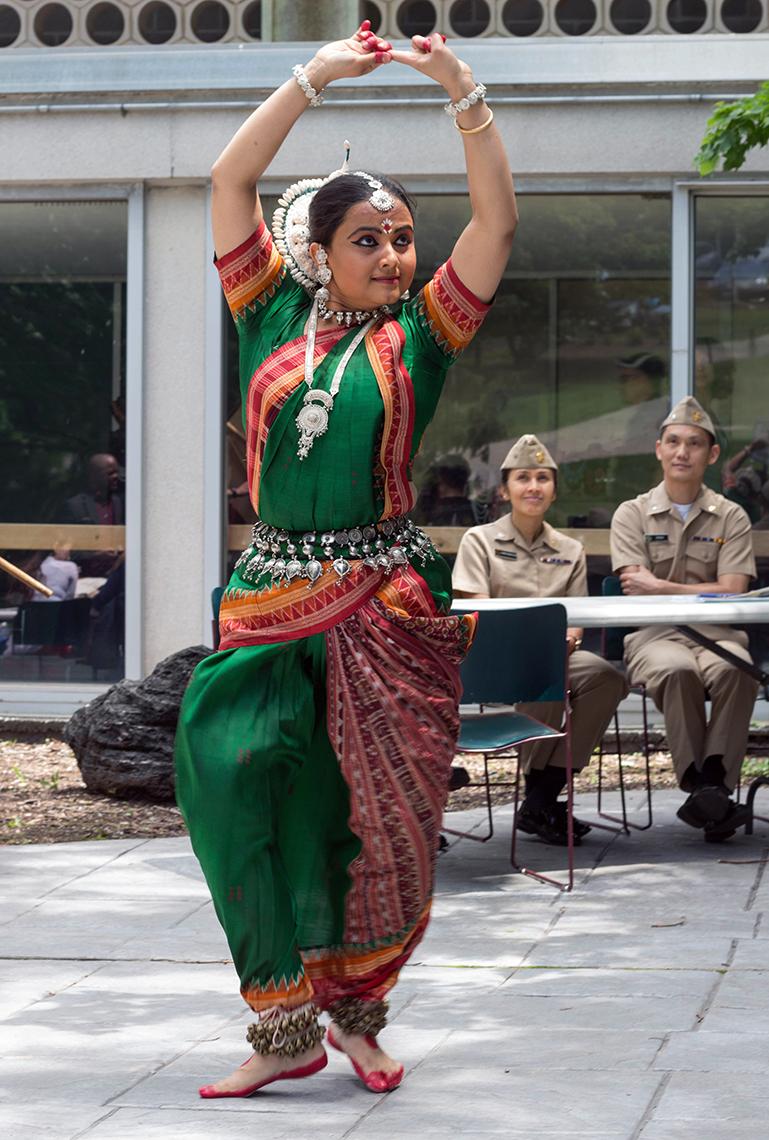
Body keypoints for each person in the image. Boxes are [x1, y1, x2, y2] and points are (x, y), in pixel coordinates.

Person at [174, 20, 517, 1100]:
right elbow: (228, 178)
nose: (394, 255)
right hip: (270, 600)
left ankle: (359, 1018)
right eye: (369, 238)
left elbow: (499, 221)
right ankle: (280, 1025)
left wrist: (462, 89)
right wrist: (309, 77)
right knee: (228, 777)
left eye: (403, 238)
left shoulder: (422, 335)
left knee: (370, 821)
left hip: (384, 602)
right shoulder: (264, 308)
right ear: (318, 250)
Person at [452, 435, 628, 845]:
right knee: (546, 673)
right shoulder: (479, 541)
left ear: (554, 489)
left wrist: (566, 638)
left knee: (607, 678)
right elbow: (477, 613)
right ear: (504, 489)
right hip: (495, 662)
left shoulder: (569, 549)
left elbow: (577, 617)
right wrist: (542, 641)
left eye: (543, 478)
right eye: (523, 478)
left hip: (556, 654)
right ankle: (542, 801)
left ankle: (541, 794)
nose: (534, 486)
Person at [610, 396, 759, 842]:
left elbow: (733, 589)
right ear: (658, 449)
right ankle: (704, 785)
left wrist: (662, 586)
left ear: (711, 455)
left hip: (717, 635)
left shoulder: (730, 515)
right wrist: (686, 589)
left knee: (740, 670)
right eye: (673, 441)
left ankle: (711, 787)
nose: (682, 452)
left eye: (694, 444)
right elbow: (634, 585)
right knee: (677, 670)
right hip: (654, 637)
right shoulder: (631, 513)